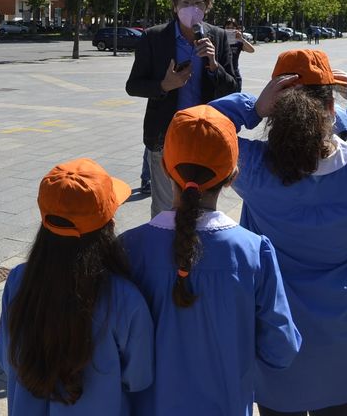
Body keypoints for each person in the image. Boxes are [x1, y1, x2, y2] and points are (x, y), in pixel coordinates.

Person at [209, 49, 347, 416]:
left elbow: (199, 126)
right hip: (344, 335)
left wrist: (252, 108)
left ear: (276, 106)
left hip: (277, 337)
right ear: (331, 108)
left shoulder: (255, 170)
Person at [121, 105, 300, 415]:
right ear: (232, 177)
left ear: (164, 167)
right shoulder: (254, 252)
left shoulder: (129, 248)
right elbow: (281, 349)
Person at [0, 158, 153, 414]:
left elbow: (7, 357)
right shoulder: (125, 298)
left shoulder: (18, 281)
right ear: (108, 226)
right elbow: (138, 378)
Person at [126, 0, 237, 218]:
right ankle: (164, 254)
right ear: (175, 5)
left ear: (207, 7)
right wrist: (164, 85)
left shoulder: (217, 37)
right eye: (185, 2)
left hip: (207, 136)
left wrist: (214, 65)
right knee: (166, 211)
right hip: (166, 137)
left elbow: (233, 89)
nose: (191, 8)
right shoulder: (154, 37)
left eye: (198, 2)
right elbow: (133, 85)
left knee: (203, 213)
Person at [225, 19, 255, 92]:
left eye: (232, 28)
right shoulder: (220, 40)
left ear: (236, 29)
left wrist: (242, 39)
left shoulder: (238, 42)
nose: (230, 30)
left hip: (235, 73)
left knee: (236, 95)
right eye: (228, 28)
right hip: (223, 73)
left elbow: (252, 50)